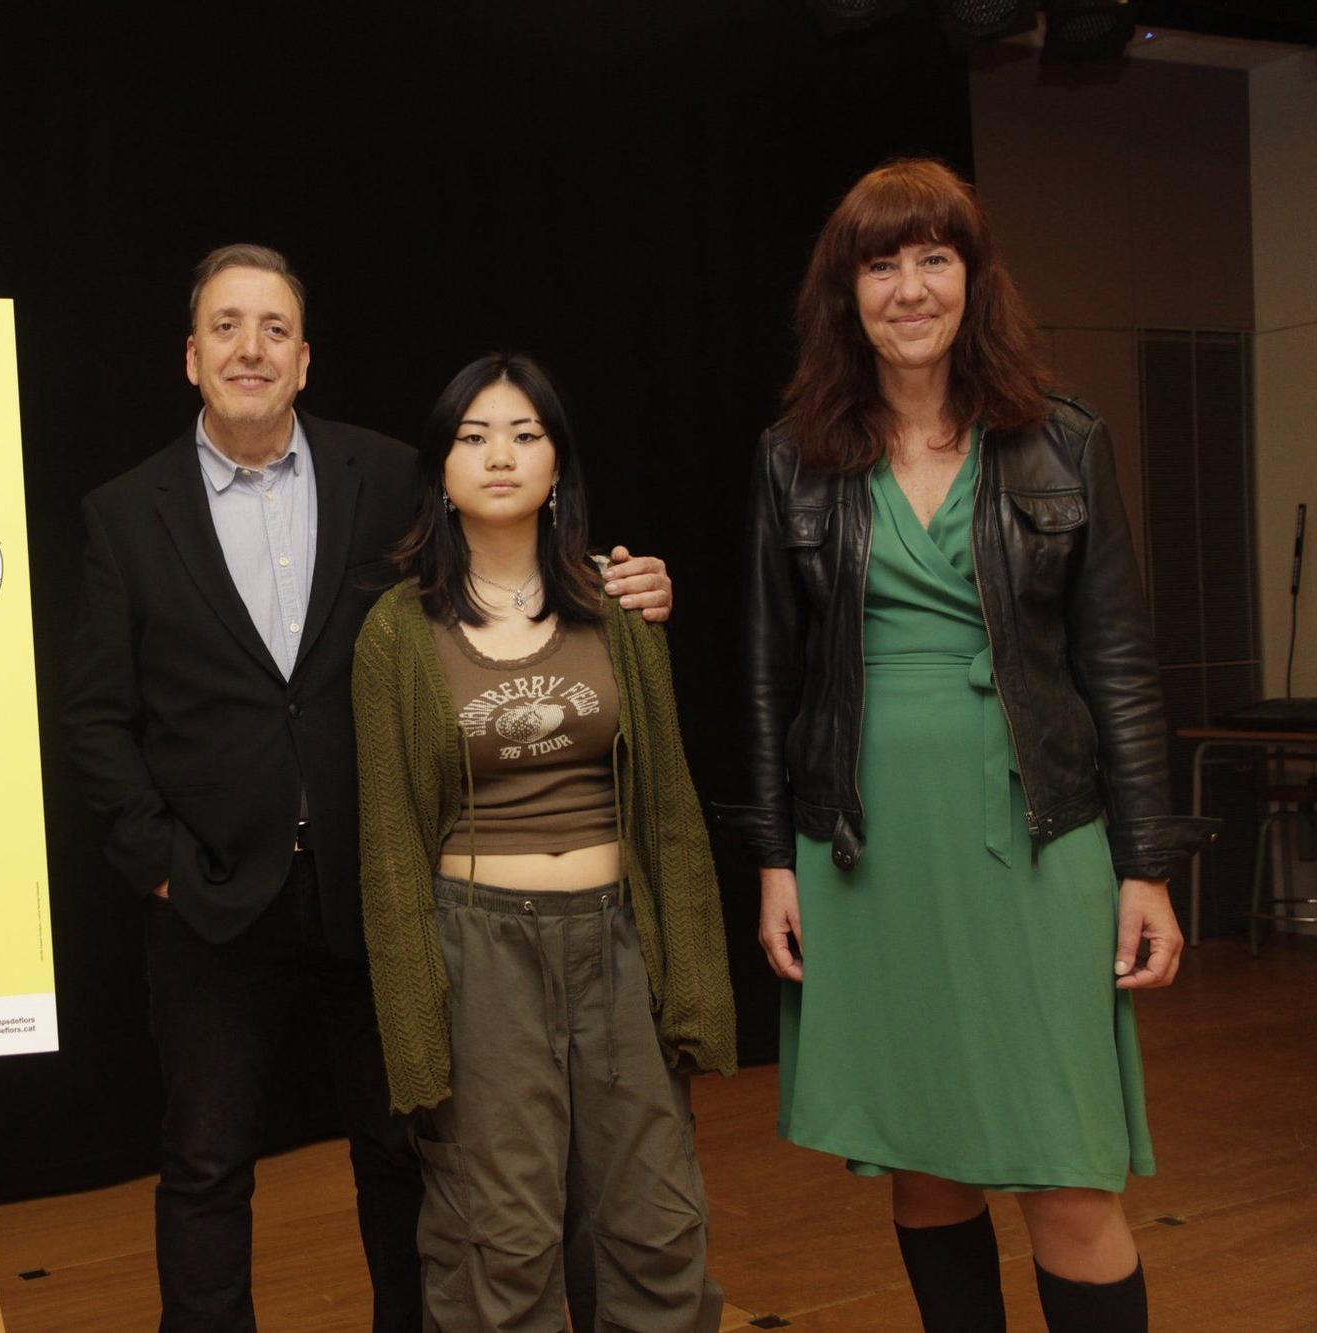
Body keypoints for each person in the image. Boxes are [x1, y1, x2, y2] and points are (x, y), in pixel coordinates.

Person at [62, 246, 676, 1331]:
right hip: (208, 899)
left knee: (402, 1150)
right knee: (203, 1166)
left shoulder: (389, 474)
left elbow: (499, 570)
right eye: (226, 326)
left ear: (304, 360)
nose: (249, 347)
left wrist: (618, 585)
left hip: (377, 884)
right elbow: (96, 720)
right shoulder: (124, 511)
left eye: (274, 329)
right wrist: (159, 866)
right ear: (190, 355)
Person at [724, 159, 1216, 1332]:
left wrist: (1144, 864)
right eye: (879, 263)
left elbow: (1118, 667)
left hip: (1040, 840)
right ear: (843, 294)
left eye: (931, 258)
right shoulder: (789, 457)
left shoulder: (1062, 441)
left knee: (1067, 1170)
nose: (906, 287)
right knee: (925, 1160)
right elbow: (762, 679)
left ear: (971, 279)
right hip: (866, 849)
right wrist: (774, 859)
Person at [353, 352, 734, 1331]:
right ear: (438, 468)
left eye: (524, 434)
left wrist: (686, 976)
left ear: (556, 465)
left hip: (616, 939)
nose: (498, 455)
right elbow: (389, 852)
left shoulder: (618, 604)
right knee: (500, 1236)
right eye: (472, 436)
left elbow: (670, 813)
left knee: (653, 1222)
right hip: (477, 947)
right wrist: (413, 1029)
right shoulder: (396, 632)